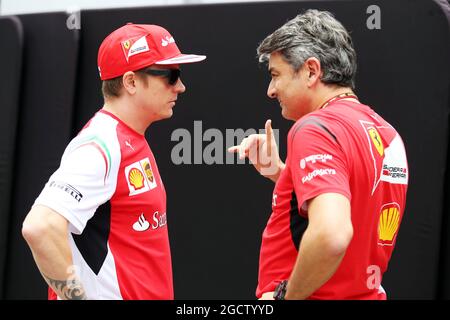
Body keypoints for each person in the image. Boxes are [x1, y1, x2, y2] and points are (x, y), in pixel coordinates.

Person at [229, 9, 408, 300]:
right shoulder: (387, 132)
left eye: (276, 76)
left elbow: (332, 235)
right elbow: (354, 203)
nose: (270, 91)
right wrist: (283, 174)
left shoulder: (314, 128)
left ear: (312, 71)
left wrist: (287, 297)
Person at [21, 23, 206, 300]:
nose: (180, 86)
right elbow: (40, 227)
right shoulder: (101, 144)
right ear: (131, 82)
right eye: (170, 75)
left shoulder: (126, 137)